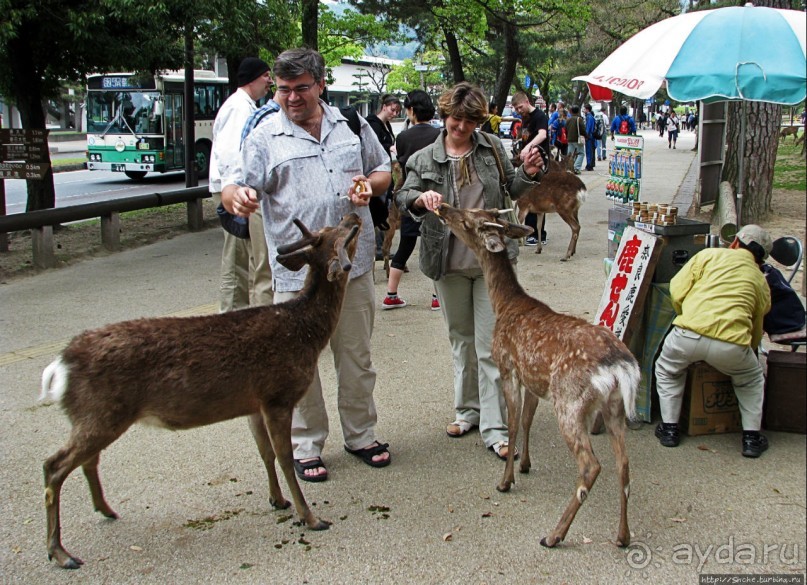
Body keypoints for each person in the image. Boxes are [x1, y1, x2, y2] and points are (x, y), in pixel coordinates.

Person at [222, 48, 392, 482]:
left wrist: (369, 186)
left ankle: (361, 434)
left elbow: (383, 169)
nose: (291, 98)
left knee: (356, 355)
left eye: (301, 89)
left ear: (320, 84)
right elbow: (235, 185)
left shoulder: (352, 125)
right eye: (282, 90)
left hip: (349, 268)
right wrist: (237, 198)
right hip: (297, 274)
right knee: (298, 364)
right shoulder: (264, 134)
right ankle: (306, 443)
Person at [396, 82, 546, 460]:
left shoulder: (492, 149)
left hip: (492, 265)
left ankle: (496, 428)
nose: (460, 127)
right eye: (454, 118)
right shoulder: (425, 157)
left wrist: (527, 172)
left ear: (478, 121)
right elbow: (402, 195)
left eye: (468, 121)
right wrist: (420, 198)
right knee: (460, 340)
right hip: (446, 261)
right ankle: (467, 412)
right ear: (445, 115)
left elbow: (512, 187)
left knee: (490, 346)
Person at [654, 225, 772, 458]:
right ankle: (751, 438)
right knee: (750, 379)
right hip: (732, 344)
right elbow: (758, 322)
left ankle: (669, 430)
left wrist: (685, 315)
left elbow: (677, 292)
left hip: (687, 335)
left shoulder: (708, 255)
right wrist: (748, 350)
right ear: (760, 260)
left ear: (735, 242)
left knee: (668, 370)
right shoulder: (760, 279)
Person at [209, 57, 274, 312]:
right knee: (236, 260)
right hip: (233, 190)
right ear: (253, 77)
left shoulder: (246, 106)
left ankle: (240, 315)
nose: (269, 81)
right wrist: (233, 189)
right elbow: (231, 154)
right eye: (266, 76)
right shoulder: (239, 108)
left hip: (238, 190)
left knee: (246, 258)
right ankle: (230, 316)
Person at [382, 90, 442, 311]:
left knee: (405, 245)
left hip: (411, 196)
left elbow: (402, 164)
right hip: (436, 197)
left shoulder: (404, 137)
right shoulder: (440, 135)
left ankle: (391, 294)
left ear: (412, 110)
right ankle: (437, 297)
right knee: (436, 246)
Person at [366, 94, 402, 259]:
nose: (394, 114)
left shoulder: (387, 125)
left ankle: (382, 248)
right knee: (377, 208)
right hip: (374, 172)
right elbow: (372, 147)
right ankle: (376, 248)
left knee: (385, 210)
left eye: (397, 111)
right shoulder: (373, 124)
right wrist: (390, 148)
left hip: (386, 171)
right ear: (384, 106)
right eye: (393, 110)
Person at [512, 91, 549, 246]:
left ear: (527, 101)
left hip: (539, 161)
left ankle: (538, 233)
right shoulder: (525, 118)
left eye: (520, 107)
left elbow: (543, 134)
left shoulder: (540, 116)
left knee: (536, 196)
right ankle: (529, 230)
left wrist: (529, 147)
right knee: (526, 193)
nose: (519, 111)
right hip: (527, 162)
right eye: (516, 109)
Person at [565, 105, 586, 175]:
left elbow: (565, 129)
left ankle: (569, 168)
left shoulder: (568, 120)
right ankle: (576, 168)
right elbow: (583, 129)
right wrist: (586, 136)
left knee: (570, 155)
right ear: (578, 111)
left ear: (571, 111)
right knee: (581, 153)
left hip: (569, 139)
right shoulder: (579, 119)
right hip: (577, 139)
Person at [583, 103, 596, 171]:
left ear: (587, 109)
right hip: (591, 136)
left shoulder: (589, 117)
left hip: (589, 137)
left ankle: (589, 165)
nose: (583, 110)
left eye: (584, 109)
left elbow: (588, 128)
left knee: (589, 151)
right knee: (589, 151)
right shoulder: (590, 116)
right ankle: (590, 164)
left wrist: (586, 135)